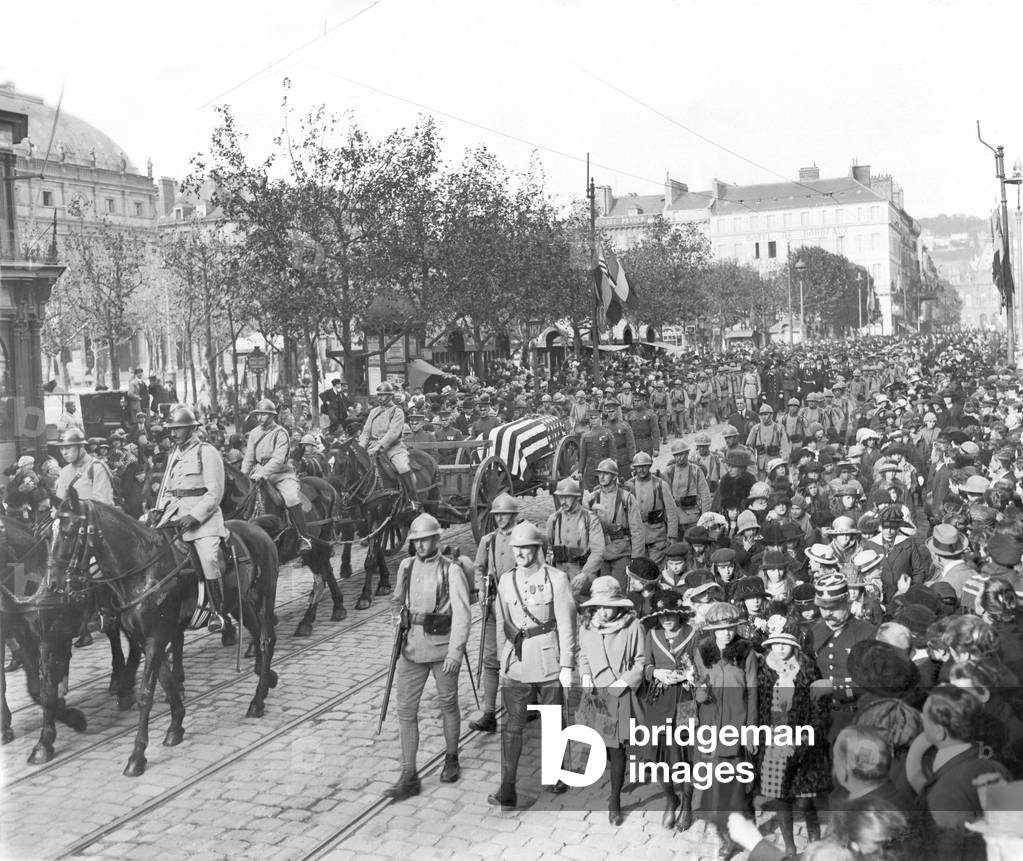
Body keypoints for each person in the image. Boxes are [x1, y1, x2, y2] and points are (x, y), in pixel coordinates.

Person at [489, 521, 576, 808]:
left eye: (526, 548)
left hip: (549, 659)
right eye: (516, 548)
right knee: (512, 727)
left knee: (553, 721)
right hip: (518, 662)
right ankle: (508, 785)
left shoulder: (556, 579)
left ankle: (554, 775)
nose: (521, 553)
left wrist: (567, 666)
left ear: (538, 548)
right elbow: (503, 622)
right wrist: (504, 659)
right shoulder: (505, 581)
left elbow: (566, 624)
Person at [384, 514, 471, 800]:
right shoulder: (406, 567)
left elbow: (462, 614)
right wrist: (397, 621)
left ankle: (451, 757)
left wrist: (456, 652)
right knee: (406, 711)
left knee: (447, 704)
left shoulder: (451, 570)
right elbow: (396, 600)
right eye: (416, 541)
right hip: (411, 648)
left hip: (443, 648)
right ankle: (408, 775)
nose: (420, 546)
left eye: (425, 540)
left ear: (436, 539)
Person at [755, 615, 829, 857]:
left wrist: (809, 737)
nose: (780, 648)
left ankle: (815, 841)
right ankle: (789, 846)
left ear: (795, 645)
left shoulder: (807, 668)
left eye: (785, 643)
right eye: (775, 643)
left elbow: (819, 707)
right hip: (774, 742)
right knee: (780, 798)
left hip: (802, 741)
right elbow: (759, 706)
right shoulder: (765, 669)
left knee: (805, 799)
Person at [152, 405, 230, 632]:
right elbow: (168, 489)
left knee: (208, 559)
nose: (173, 433)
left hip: (202, 520)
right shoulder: (174, 454)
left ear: (190, 428)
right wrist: (159, 509)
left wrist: (194, 517)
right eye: (171, 429)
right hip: (173, 515)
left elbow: (215, 493)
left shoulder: (207, 451)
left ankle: (217, 612)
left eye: (178, 429)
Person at [578, 576, 647, 826]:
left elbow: (641, 661)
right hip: (597, 695)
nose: (604, 611)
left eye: (609, 605)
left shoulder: (633, 626)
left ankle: (615, 800)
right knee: (603, 744)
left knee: (618, 749)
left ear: (619, 604)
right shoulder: (587, 626)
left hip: (620, 694)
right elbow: (582, 655)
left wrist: (626, 680)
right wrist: (585, 675)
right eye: (599, 606)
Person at [642, 589, 699, 832]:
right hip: (659, 702)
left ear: (679, 614)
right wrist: (655, 672)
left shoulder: (693, 634)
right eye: (662, 615)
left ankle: (686, 803)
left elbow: (701, 668)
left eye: (671, 614)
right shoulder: (653, 635)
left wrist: (686, 675)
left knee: (685, 757)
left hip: (686, 702)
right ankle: (670, 798)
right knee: (660, 758)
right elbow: (645, 664)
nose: (667, 619)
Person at [471, 493, 519, 734]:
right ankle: (489, 711)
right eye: (497, 514)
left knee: (518, 659)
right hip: (492, 605)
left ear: (513, 514)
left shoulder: (523, 538)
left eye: (504, 514)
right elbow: (479, 567)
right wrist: (481, 588)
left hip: (517, 610)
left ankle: (523, 709)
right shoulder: (488, 540)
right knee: (491, 659)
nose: (500, 518)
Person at [809, 573, 877, 741]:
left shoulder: (866, 633)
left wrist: (835, 687)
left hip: (856, 718)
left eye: (833, 608)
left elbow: (873, 684)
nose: (827, 614)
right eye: (823, 608)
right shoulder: (815, 633)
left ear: (847, 602)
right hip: (822, 719)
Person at [241, 398, 314, 551]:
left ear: (272, 415)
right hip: (257, 474)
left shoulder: (281, 433)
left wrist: (263, 473)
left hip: (281, 475)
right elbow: (248, 458)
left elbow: (278, 459)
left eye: (263, 415)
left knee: (291, 498)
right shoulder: (254, 433)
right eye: (258, 415)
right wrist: (243, 476)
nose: (260, 418)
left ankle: (304, 537)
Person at [358, 382, 419, 511]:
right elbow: (365, 432)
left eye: (383, 395)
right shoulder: (374, 411)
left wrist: (379, 447)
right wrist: (360, 449)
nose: (380, 398)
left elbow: (393, 433)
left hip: (393, 448)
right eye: (379, 395)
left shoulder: (397, 411)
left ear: (390, 396)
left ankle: (411, 499)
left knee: (402, 467)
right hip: (372, 446)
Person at [584, 459, 644, 589]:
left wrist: (637, 559)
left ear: (614, 476)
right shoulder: (592, 498)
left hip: (622, 552)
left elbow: (637, 531)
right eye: (600, 474)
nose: (602, 477)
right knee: (603, 591)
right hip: (601, 554)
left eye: (606, 474)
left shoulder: (626, 498)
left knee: (619, 591)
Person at [545, 477, 604, 598]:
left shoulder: (590, 519)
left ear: (577, 497)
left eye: (568, 497)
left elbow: (598, 551)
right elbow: (548, 547)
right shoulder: (554, 519)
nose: (563, 501)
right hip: (559, 575)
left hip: (582, 575)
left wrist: (585, 574)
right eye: (561, 497)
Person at [626, 451, 678, 567]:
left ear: (649, 466)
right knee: (641, 569)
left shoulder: (660, 485)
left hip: (657, 535)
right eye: (638, 467)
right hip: (637, 538)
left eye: (644, 466)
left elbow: (671, 512)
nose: (641, 470)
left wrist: (672, 535)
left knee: (656, 568)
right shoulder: (629, 485)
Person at [53, 428, 115, 506]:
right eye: (61, 448)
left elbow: (103, 505)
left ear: (81, 446)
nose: (64, 452)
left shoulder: (97, 467)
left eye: (68, 448)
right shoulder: (64, 471)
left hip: (94, 516)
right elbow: (60, 503)